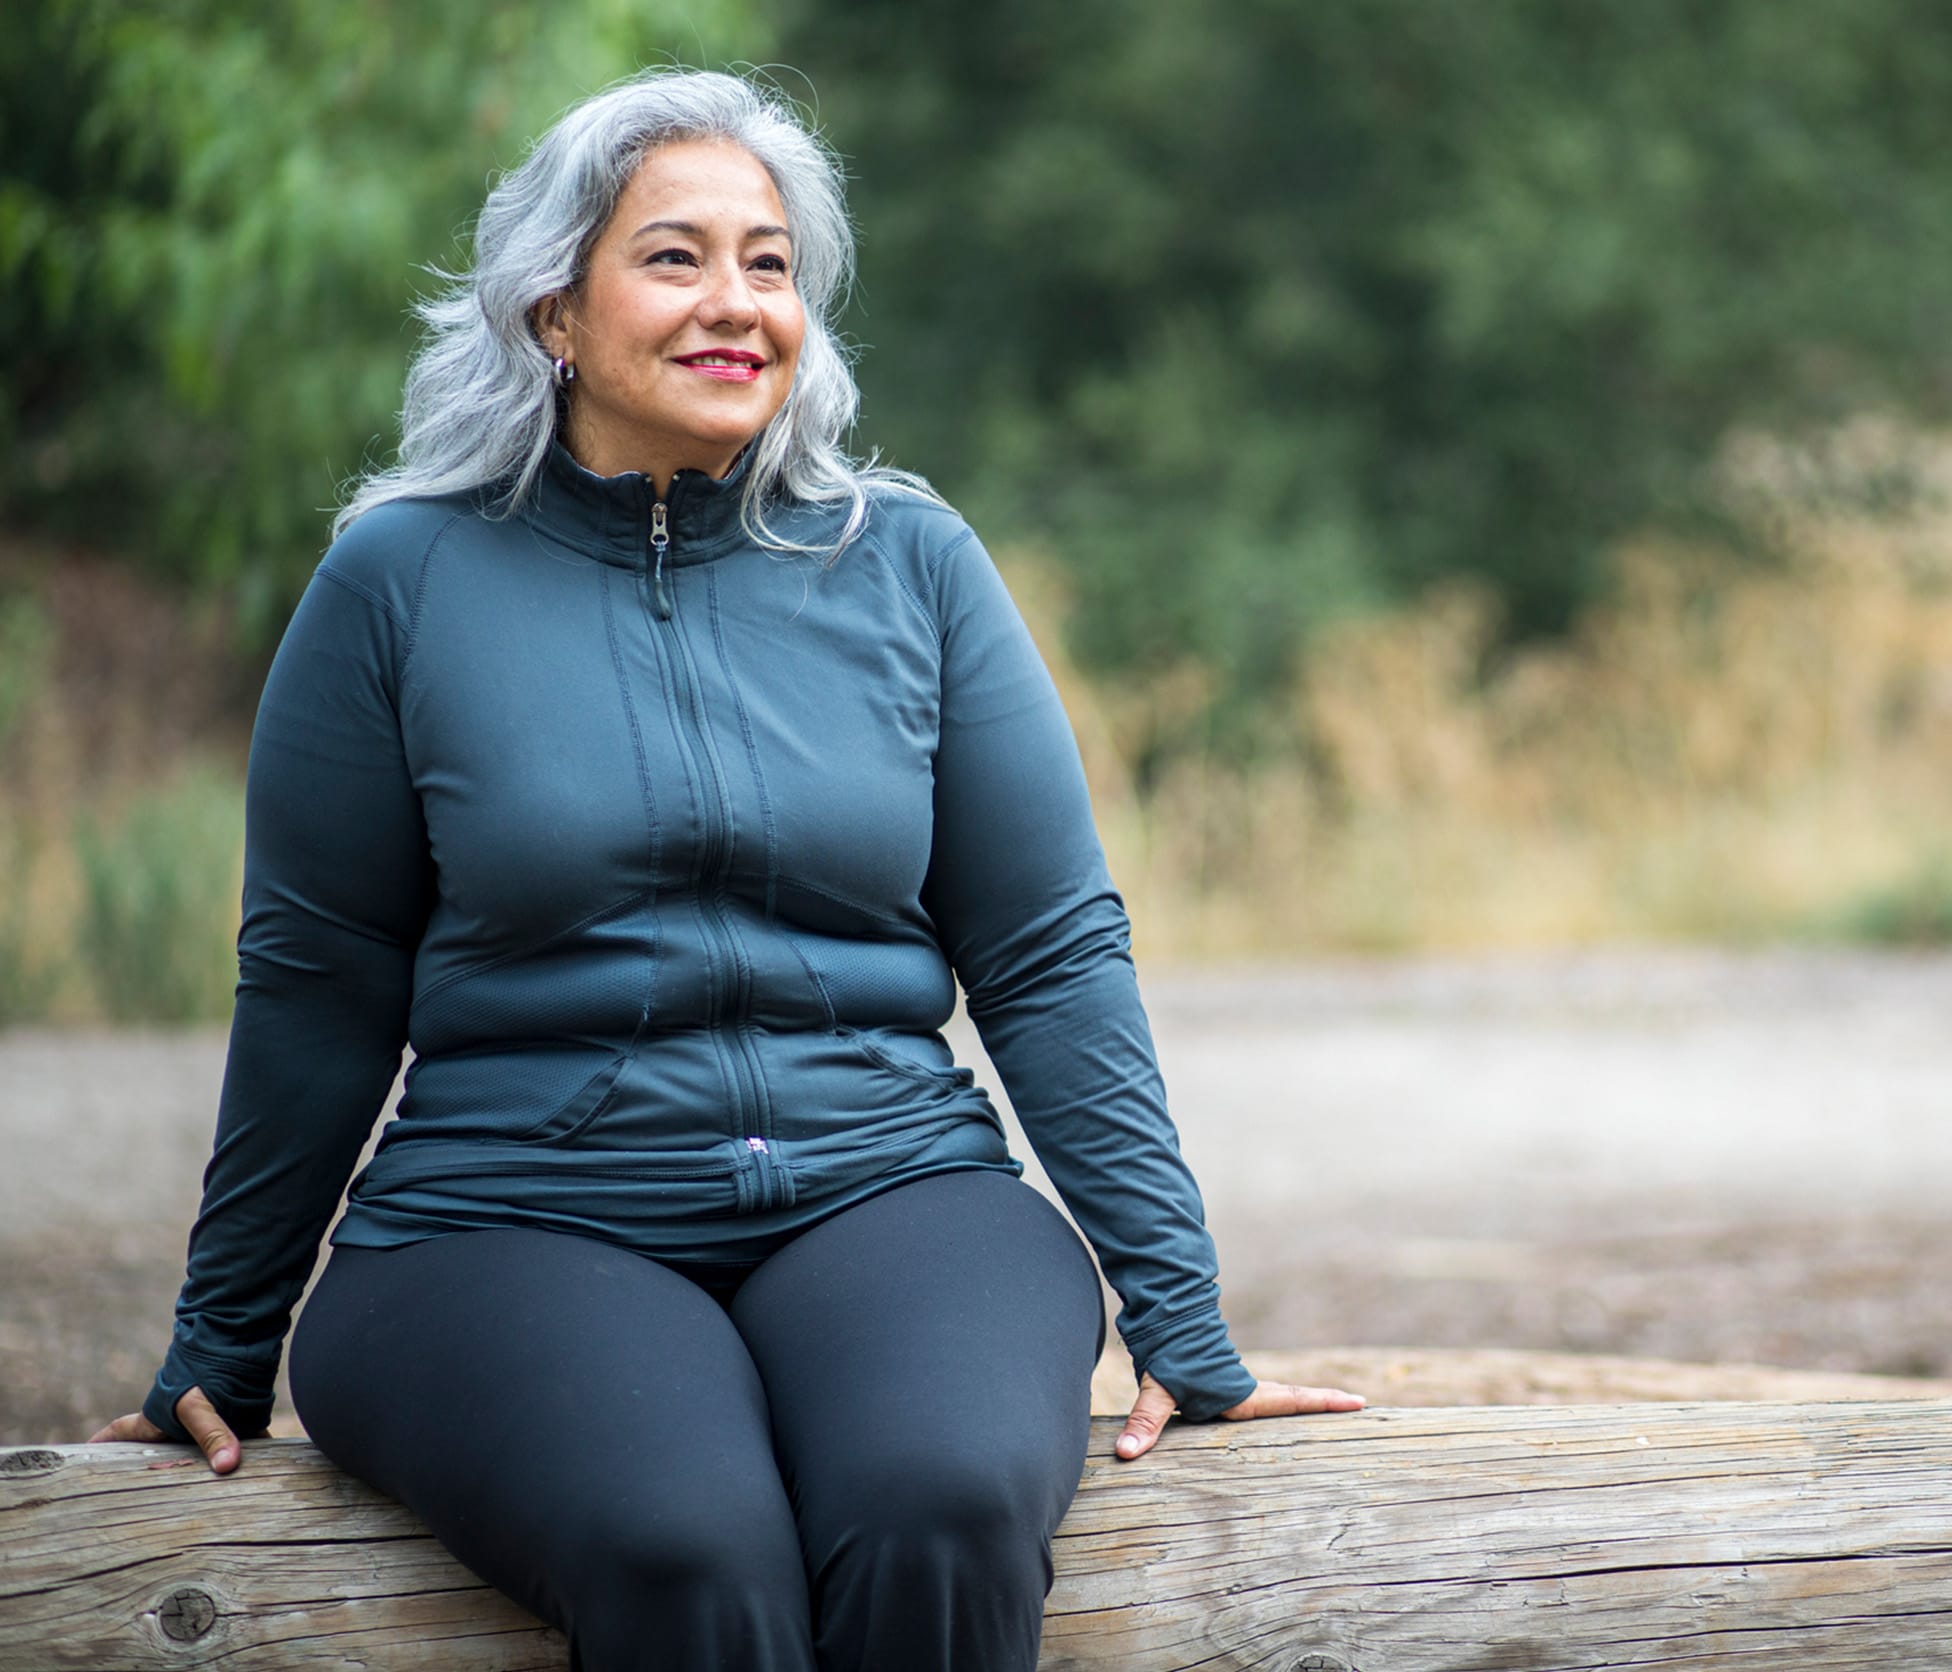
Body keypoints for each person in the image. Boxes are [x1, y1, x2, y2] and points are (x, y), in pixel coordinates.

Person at [92, 67, 1363, 1671]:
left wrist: (1183, 1318)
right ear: (554, 310)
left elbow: (1047, 956)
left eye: (769, 264)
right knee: (688, 1547)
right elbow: (320, 979)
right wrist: (223, 1330)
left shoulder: (907, 563)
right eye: (675, 256)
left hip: (890, 1184)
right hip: (512, 1217)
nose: (736, 304)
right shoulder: (399, 581)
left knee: (942, 1503)